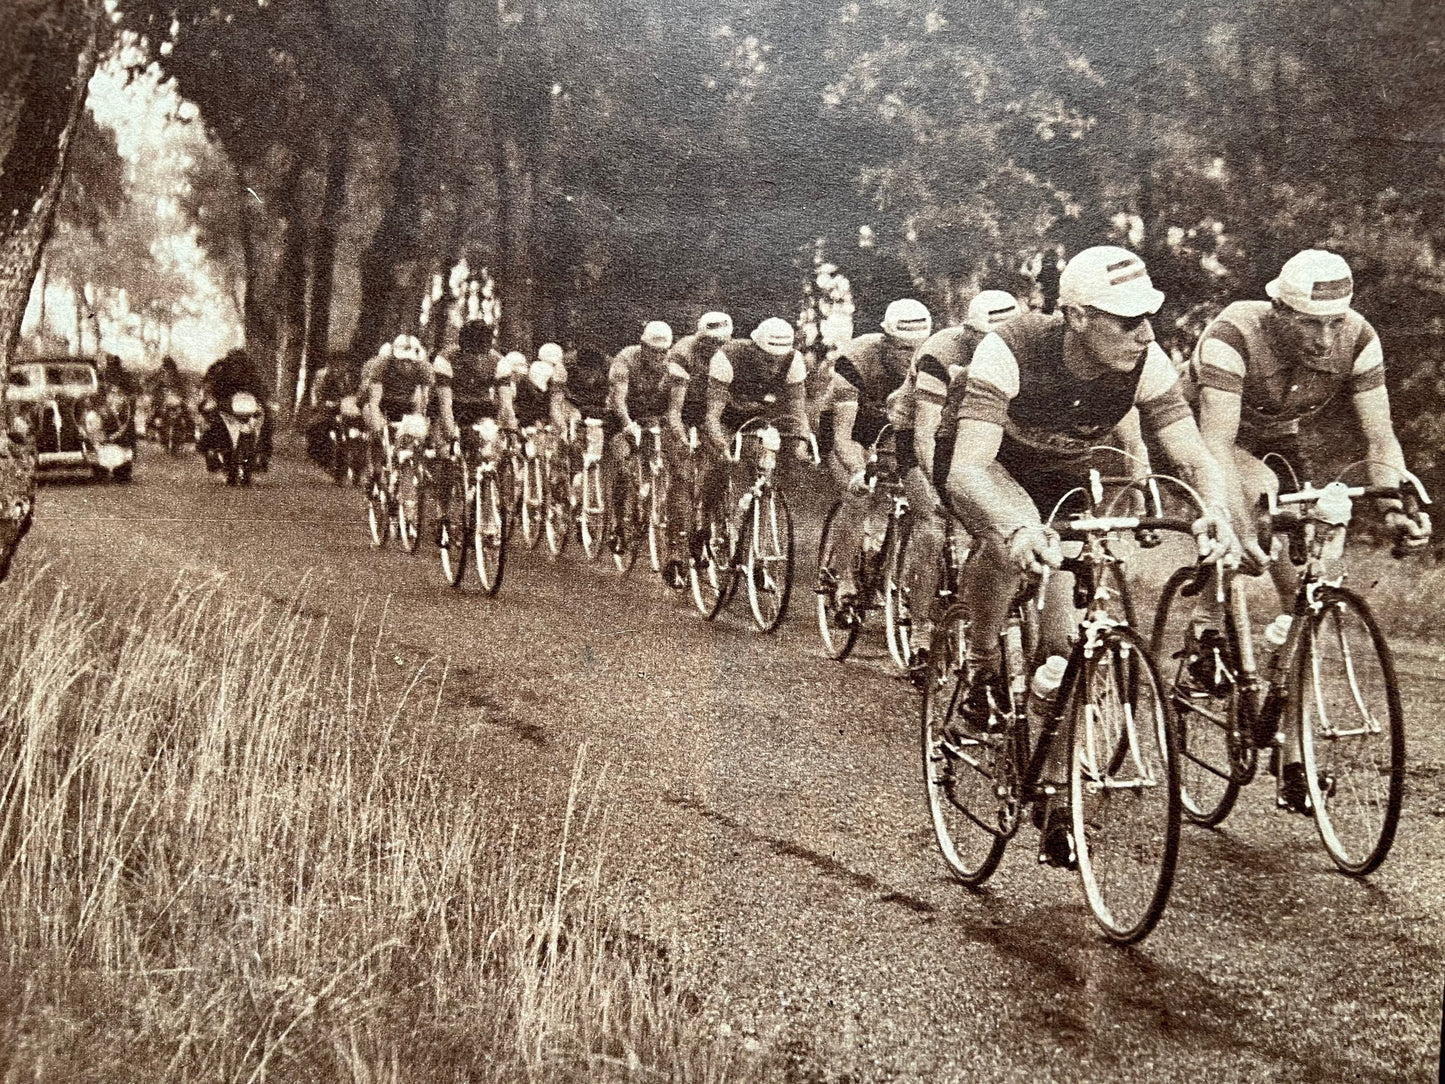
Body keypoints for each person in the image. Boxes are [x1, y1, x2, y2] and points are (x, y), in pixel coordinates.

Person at [944, 245, 1238, 868]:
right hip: (985, 462)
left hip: (1061, 472)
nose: (1145, 332)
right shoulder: (1010, 348)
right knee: (1009, 544)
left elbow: (1190, 454)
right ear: (1078, 316)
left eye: (1149, 317)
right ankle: (977, 662)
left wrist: (1213, 511)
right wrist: (1016, 527)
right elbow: (969, 467)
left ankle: (1053, 792)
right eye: (1126, 320)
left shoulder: (1146, 361)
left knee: (1061, 643)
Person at [1191, 248, 1431, 811]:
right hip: (1209, 436)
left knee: (1306, 588)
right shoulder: (1234, 332)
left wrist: (1396, 499)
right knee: (1257, 498)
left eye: (1334, 323)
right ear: (1278, 310)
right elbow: (1218, 447)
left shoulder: (1360, 336)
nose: (1326, 340)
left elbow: (1380, 438)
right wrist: (1233, 519)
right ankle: (1205, 621)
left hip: (1279, 438)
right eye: (1310, 324)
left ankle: (1293, 758)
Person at [886, 290, 1022, 670]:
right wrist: (943, 491)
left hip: (976, 434)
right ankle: (920, 630)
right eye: (985, 340)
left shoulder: (1019, 350)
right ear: (968, 332)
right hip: (925, 433)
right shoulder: (941, 353)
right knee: (932, 523)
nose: (996, 347)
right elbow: (924, 434)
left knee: (995, 525)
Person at [826, 298, 933, 615]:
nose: (910, 357)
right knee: (858, 494)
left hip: (892, 427)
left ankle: (887, 572)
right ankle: (842, 578)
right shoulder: (856, 359)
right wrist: (859, 470)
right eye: (902, 349)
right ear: (885, 339)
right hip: (852, 426)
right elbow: (843, 436)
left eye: (917, 348)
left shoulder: (932, 360)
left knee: (918, 495)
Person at [699, 317, 816, 531]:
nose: (774, 366)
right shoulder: (727, 356)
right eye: (768, 359)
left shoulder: (794, 361)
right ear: (755, 348)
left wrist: (802, 442)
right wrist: (722, 446)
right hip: (726, 417)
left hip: (760, 420)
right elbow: (712, 417)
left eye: (779, 360)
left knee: (763, 462)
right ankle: (704, 521)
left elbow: (798, 411)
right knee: (721, 463)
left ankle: (753, 525)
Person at [605, 321, 690, 577]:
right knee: (623, 463)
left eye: (663, 352)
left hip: (654, 420)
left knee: (675, 462)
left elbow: (674, 413)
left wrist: (682, 438)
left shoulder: (675, 372)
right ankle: (618, 524)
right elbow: (619, 400)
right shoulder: (625, 360)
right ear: (642, 346)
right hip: (623, 417)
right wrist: (628, 425)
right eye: (653, 351)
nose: (659, 357)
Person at [199, 348, 272, 471]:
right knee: (214, 422)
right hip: (227, 405)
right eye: (234, 362)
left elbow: (260, 386)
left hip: (247, 404)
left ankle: (263, 453)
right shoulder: (221, 370)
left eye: (240, 362)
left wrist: (264, 400)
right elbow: (213, 385)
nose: (237, 365)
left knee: (267, 420)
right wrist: (214, 398)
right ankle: (212, 451)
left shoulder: (251, 371)